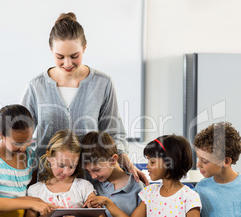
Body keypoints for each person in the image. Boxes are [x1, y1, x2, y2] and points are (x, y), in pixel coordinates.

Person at [21, 12, 147, 184]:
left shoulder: (103, 83)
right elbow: (19, 133)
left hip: (91, 180)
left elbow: (113, 131)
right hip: (47, 181)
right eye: (60, 57)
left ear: (85, 48)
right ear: (51, 50)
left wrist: (127, 163)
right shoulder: (36, 86)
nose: (67, 63)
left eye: (74, 56)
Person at [86, 135, 202, 217]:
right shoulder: (150, 193)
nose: (147, 167)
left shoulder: (189, 197)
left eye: (152, 162)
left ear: (170, 162)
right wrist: (108, 203)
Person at [24, 130, 108, 217]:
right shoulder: (36, 191)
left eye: (72, 166)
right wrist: (48, 215)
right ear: (49, 157)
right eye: (61, 165)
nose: (66, 171)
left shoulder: (83, 187)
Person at [81, 131, 146, 217]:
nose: (93, 176)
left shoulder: (137, 188)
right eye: (88, 172)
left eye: (97, 170)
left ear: (113, 160)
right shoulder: (90, 187)